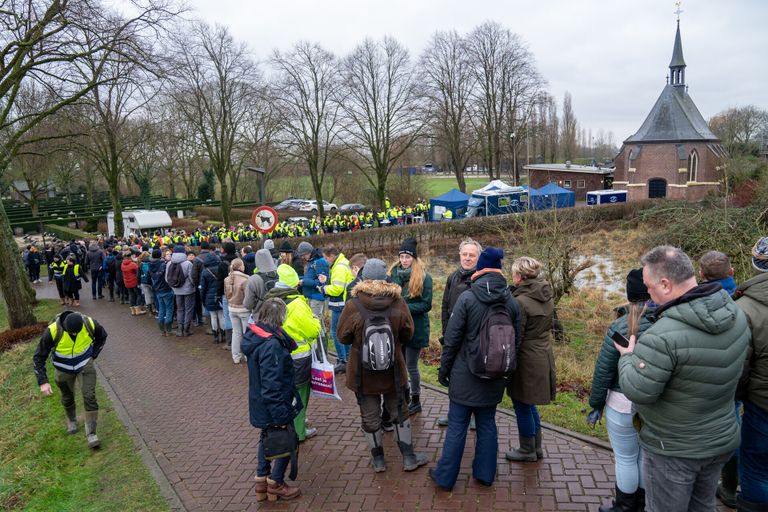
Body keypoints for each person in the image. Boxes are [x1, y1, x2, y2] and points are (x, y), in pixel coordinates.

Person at [615, 246, 749, 512]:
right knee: (702, 507)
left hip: (674, 449)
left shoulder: (662, 335)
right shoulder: (736, 315)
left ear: (665, 284)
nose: (648, 294)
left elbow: (639, 390)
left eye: (649, 287)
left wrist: (627, 357)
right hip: (720, 439)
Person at [430, 247, 521, 490]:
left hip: (464, 374)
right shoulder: (511, 301)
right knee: (488, 424)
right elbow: (517, 342)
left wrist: (444, 370)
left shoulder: (467, 298)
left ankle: (445, 477)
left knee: (457, 425)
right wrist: (506, 373)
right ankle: (485, 474)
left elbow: (452, 338)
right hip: (495, 376)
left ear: (480, 268)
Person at [337, 258, 429, 473]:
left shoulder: (354, 305)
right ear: (386, 278)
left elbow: (342, 337)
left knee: (369, 415)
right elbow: (409, 333)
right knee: (399, 411)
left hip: (362, 373)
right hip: (393, 371)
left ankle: (378, 461)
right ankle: (408, 458)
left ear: (363, 278)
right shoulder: (398, 302)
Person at [588, 269, 656, 512]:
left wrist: (595, 404)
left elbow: (604, 370)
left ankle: (624, 506)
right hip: (653, 403)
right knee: (643, 457)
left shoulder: (620, 326)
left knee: (626, 458)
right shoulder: (666, 322)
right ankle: (642, 504)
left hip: (622, 402)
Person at [242, 298, 303, 502]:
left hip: (260, 401)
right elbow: (272, 383)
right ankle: (275, 483)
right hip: (274, 403)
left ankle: (262, 482)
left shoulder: (256, 337)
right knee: (288, 440)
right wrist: (280, 414)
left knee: (266, 439)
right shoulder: (272, 346)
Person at [504, 257, 556, 463]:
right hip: (542, 353)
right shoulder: (546, 295)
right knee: (529, 402)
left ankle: (527, 449)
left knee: (521, 403)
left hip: (526, 357)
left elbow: (517, 336)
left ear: (520, 276)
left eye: (514, 273)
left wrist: (509, 363)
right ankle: (536, 447)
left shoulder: (520, 302)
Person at [33, 311, 108, 448]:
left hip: (85, 365)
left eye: (76, 333)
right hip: (63, 370)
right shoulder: (52, 331)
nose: (74, 335)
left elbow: (102, 337)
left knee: (89, 396)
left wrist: (93, 355)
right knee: (67, 397)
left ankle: (91, 433)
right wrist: (43, 381)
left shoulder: (89, 323)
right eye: (71, 333)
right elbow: (38, 357)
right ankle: (72, 420)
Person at [266, 264, 321, 442]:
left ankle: (287, 425)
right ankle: (299, 432)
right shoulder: (297, 304)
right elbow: (312, 330)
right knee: (300, 393)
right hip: (299, 356)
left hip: (277, 355)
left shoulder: (269, 300)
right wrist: (316, 320)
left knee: (285, 392)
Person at [733, 237, 768, 512]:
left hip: (762, 403)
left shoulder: (745, 309)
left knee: (755, 466)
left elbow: (741, 366)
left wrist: (738, 398)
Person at [436, 238, 481, 429]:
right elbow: (445, 306)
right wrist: (446, 333)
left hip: (473, 338)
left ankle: (473, 416)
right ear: (460, 255)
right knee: (453, 376)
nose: (468, 258)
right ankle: (453, 413)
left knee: (473, 377)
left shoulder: (480, 279)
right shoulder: (453, 277)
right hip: (453, 337)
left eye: (472, 255)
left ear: (478, 258)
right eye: (465, 254)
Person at [390, 237, 433, 416]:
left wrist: (404, 307)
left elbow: (426, 305)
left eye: (408, 257)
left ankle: (416, 400)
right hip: (398, 328)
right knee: (399, 364)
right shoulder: (393, 274)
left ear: (414, 258)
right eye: (402, 256)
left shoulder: (424, 277)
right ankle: (404, 396)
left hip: (416, 327)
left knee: (411, 365)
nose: (404, 260)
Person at [319, 245, 354, 374]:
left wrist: (324, 288)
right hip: (346, 303)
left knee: (336, 332)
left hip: (340, 304)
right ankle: (349, 359)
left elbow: (337, 288)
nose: (325, 260)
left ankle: (342, 360)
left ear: (332, 256)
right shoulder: (344, 263)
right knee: (345, 332)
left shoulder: (338, 267)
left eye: (326, 258)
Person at [225, 258, 251, 364]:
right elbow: (248, 297)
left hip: (232, 308)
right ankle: (247, 356)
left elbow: (226, 295)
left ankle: (235, 356)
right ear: (241, 267)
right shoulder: (246, 279)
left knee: (235, 333)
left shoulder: (227, 279)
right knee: (246, 333)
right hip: (244, 309)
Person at [166, 245, 195, 337]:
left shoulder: (169, 263)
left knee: (180, 309)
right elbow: (191, 278)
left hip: (176, 290)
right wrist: (194, 286)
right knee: (188, 309)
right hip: (188, 290)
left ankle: (180, 329)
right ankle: (186, 330)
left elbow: (167, 279)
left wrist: (174, 287)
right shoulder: (188, 263)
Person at [200, 249, 225, 344]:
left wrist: (203, 299)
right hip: (219, 295)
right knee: (221, 316)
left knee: (213, 317)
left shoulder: (205, 271)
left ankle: (215, 336)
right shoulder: (221, 268)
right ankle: (223, 335)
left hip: (209, 297)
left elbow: (203, 288)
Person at [244, 249, 278, 316]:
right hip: (278, 315)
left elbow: (248, 305)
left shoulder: (253, 279)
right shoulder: (280, 273)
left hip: (260, 317)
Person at [149, 248, 174, 336]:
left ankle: (162, 329)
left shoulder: (150, 265)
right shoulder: (163, 264)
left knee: (161, 309)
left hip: (157, 290)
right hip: (166, 289)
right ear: (160, 255)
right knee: (169, 309)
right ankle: (169, 329)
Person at [121, 252, 145, 316]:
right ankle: (138, 310)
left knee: (131, 295)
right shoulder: (133, 265)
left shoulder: (122, 264)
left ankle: (133, 310)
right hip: (134, 281)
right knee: (138, 294)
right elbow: (137, 273)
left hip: (127, 282)